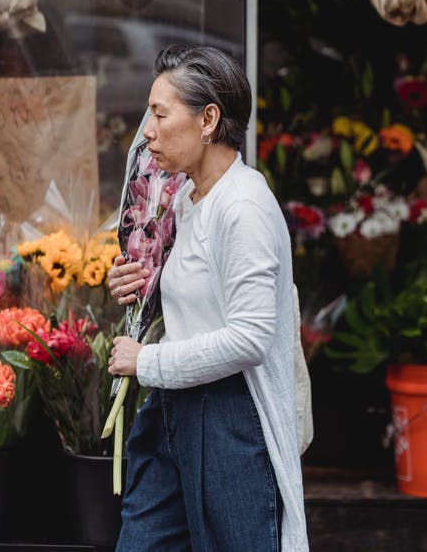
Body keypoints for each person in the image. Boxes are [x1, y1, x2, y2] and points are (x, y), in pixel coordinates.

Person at [108, 44, 309, 552]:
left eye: (159, 113)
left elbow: (250, 338)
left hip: (229, 422)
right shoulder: (185, 198)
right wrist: (135, 284)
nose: (146, 131)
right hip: (174, 413)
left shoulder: (244, 207)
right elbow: (194, 294)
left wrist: (146, 361)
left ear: (208, 119)